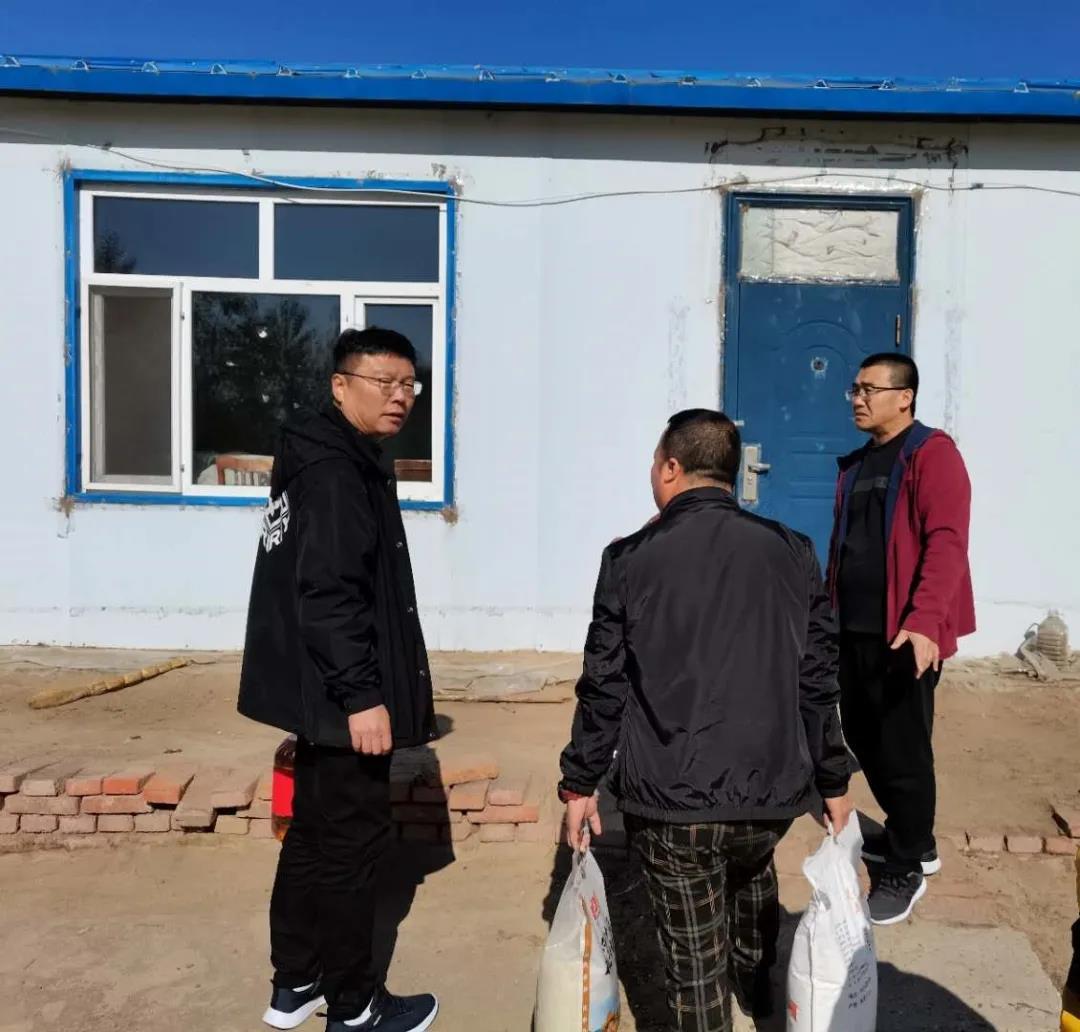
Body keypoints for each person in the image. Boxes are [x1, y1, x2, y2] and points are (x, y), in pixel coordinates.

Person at [558, 409, 852, 1032]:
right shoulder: (793, 550)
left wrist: (580, 782)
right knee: (750, 869)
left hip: (674, 804)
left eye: (654, 463)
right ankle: (756, 985)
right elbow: (818, 676)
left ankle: (736, 993)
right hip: (771, 792)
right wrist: (832, 777)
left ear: (671, 467)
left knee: (694, 961)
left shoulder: (630, 558)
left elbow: (604, 683)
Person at [238, 327, 439, 1032]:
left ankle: (295, 983)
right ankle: (354, 1006)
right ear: (340, 385)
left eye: (409, 383)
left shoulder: (331, 455)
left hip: (317, 693)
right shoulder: (334, 471)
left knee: (313, 838)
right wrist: (363, 696)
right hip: (341, 698)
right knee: (352, 848)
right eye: (384, 382)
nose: (400, 396)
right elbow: (328, 594)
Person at [827, 352, 974, 926]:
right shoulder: (860, 463)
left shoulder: (933, 454)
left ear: (905, 397)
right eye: (855, 389)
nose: (858, 399)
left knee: (903, 748)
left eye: (869, 389)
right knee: (864, 735)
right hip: (854, 628)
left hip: (904, 632)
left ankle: (909, 861)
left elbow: (947, 542)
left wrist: (925, 620)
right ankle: (909, 832)